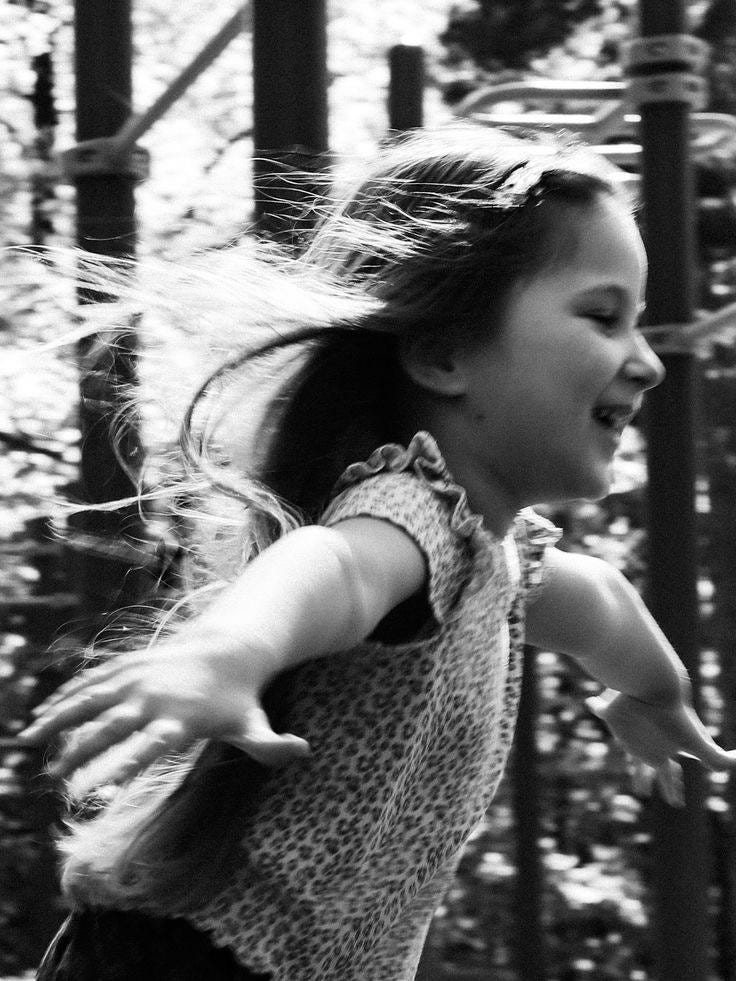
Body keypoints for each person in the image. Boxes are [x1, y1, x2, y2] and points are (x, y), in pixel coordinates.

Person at [20, 125, 736, 981]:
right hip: (189, 961)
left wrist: (654, 693)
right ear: (442, 352)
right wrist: (226, 652)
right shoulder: (410, 511)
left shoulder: (493, 560)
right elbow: (336, 567)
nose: (648, 363)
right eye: (602, 316)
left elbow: (604, 604)